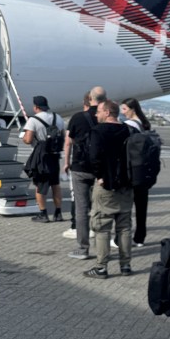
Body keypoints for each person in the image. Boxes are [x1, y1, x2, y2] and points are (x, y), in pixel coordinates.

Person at [84, 98, 132, 279]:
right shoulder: (128, 130)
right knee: (125, 227)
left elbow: (94, 157)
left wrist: (100, 176)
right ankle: (126, 265)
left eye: (98, 111)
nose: (96, 114)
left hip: (106, 185)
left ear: (107, 112)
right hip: (126, 185)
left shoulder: (98, 131)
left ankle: (101, 267)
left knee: (102, 226)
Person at [63, 87, 105, 258]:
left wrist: (66, 162)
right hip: (101, 169)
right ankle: (103, 249)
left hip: (80, 167)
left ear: (89, 99)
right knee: (101, 208)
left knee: (81, 209)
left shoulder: (77, 117)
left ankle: (82, 249)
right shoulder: (106, 117)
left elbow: (68, 142)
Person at [22, 95, 66, 223]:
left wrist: (23, 138)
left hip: (41, 155)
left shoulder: (33, 120)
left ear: (36, 107)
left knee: (40, 185)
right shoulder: (57, 118)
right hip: (54, 154)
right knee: (55, 184)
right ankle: (58, 213)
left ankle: (43, 214)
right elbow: (62, 135)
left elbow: (28, 139)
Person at [120, 97, 153, 247]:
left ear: (132, 109)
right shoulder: (144, 124)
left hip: (132, 168)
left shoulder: (129, 125)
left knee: (126, 206)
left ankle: (122, 238)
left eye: (125, 109)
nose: (123, 112)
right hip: (144, 168)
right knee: (142, 206)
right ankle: (140, 237)